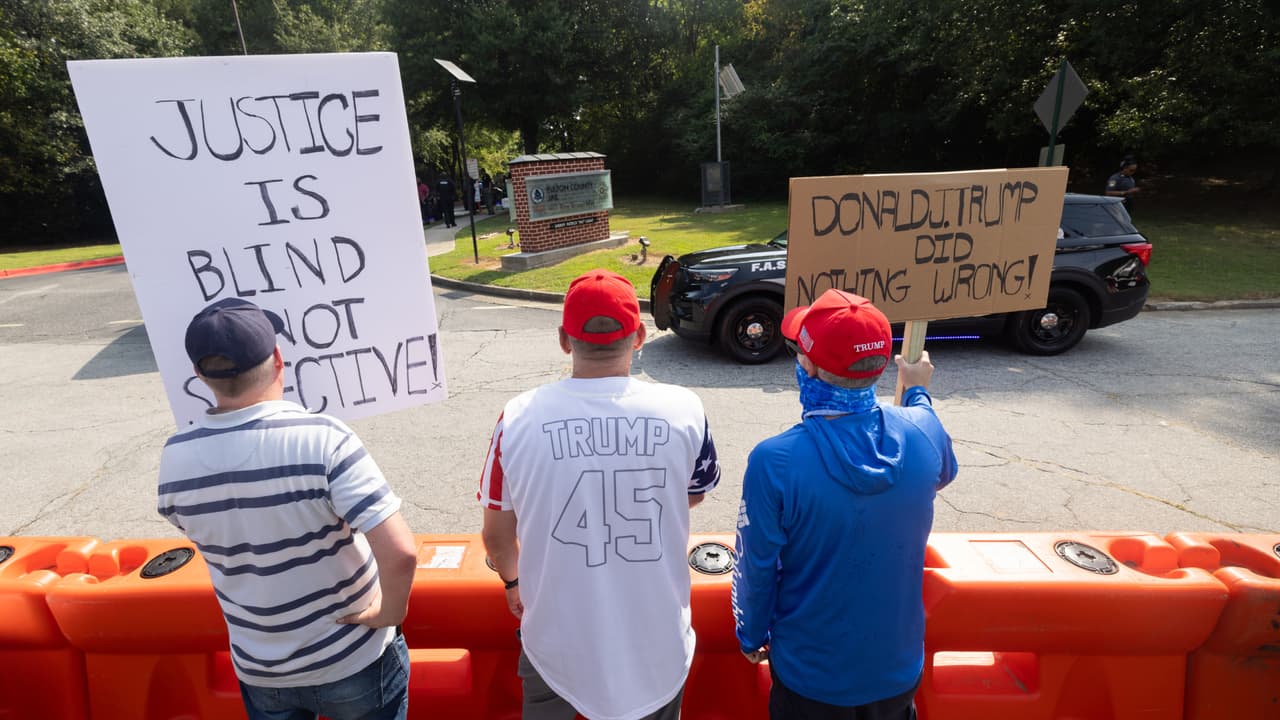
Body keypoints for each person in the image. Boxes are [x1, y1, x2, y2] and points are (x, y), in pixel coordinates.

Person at [157, 297, 419, 720]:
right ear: (279, 359)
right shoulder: (323, 438)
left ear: (199, 374)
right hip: (351, 656)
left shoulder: (175, 458)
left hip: (261, 669)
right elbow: (401, 552)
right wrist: (390, 613)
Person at [478, 269, 721, 720]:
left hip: (556, 641)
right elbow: (691, 495)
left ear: (564, 340)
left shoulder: (516, 416)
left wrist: (513, 583)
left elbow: (495, 534)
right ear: (640, 336)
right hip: (656, 642)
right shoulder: (685, 407)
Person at [732, 289, 957, 720]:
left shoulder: (775, 460)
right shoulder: (923, 429)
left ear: (810, 367)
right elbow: (940, 471)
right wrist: (917, 392)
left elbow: (755, 566)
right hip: (895, 667)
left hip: (810, 676)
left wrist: (750, 633)